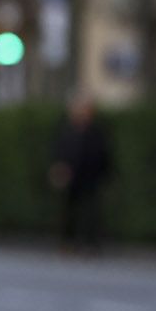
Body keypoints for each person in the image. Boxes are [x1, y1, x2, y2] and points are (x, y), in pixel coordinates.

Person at [49, 93, 111, 253]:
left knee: (91, 212)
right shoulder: (67, 130)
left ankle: (91, 243)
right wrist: (59, 170)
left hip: (90, 177)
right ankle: (68, 242)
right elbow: (60, 152)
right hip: (71, 178)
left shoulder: (96, 132)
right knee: (69, 212)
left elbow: (103, 154)